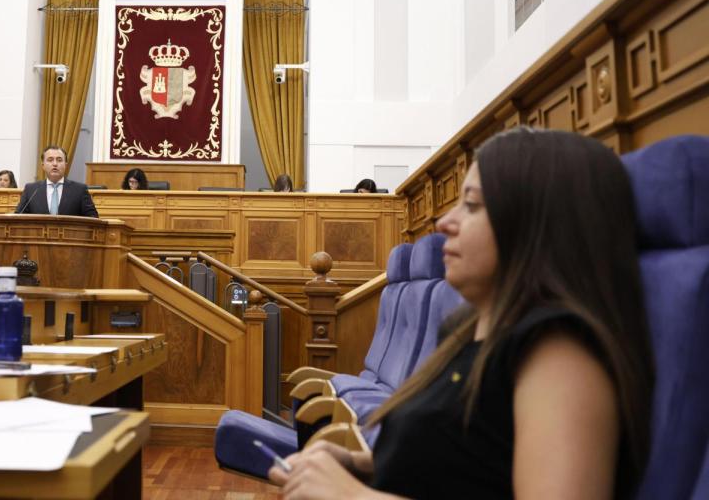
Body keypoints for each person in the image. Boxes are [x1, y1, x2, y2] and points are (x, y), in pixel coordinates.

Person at [270, 128, 653, 499]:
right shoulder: (471, 328)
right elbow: (466, 460)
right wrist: (356, 462)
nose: (444, 223)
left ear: (533, 224)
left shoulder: (560, 354)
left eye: (471, 205)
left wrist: (352, 495)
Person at [15, 145, 98, 217]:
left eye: (59, 160)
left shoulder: (79, 190)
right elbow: (18, 217)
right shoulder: (31, 189)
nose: (55, 164)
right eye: (50, 160)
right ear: (43, 165)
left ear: (65, 165)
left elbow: (93, 218)